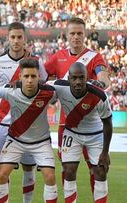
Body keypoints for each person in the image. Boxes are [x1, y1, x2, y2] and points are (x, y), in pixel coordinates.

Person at [44, 17, 110, 194]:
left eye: (79, 33)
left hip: (91, 124)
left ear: (85, 34)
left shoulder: (94, 57)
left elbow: (102, 75)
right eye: (72, 33)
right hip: (66, 125)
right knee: (67, 170)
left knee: (96, 169)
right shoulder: (57, 57)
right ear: (66, 35)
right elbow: (40, 77)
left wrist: (102, 83)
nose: (76, 37)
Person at [0, 22, 47, 203]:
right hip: (4, 123)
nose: (16, 40)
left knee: (29, 169)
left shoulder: (36, 62)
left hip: (29, 125)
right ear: (7, 39)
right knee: (4, 170)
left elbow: (42, 85)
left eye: (20, 37)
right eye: (13, 37)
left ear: (25, 39)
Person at [0, 57, 58, 203]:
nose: (30, 80)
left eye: (33, 76)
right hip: (15, 140)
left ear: (39, 77)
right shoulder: (9, 91)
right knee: (2, 174)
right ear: (20, 77)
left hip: (41, 142)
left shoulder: (50, 92)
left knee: (50, 176)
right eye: (26, 76)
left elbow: (64, 89)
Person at [50, 62, 112, 203]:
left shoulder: (99, 95)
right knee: (69, 170)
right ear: (69, 79)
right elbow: (39, 86)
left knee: (101, 172)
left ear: (87, 78)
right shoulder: (58, 86)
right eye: (74, 78)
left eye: (81, 78)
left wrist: (105, 152)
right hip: (72, 133)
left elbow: (108, 124)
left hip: (96, 134)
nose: (78, 82)